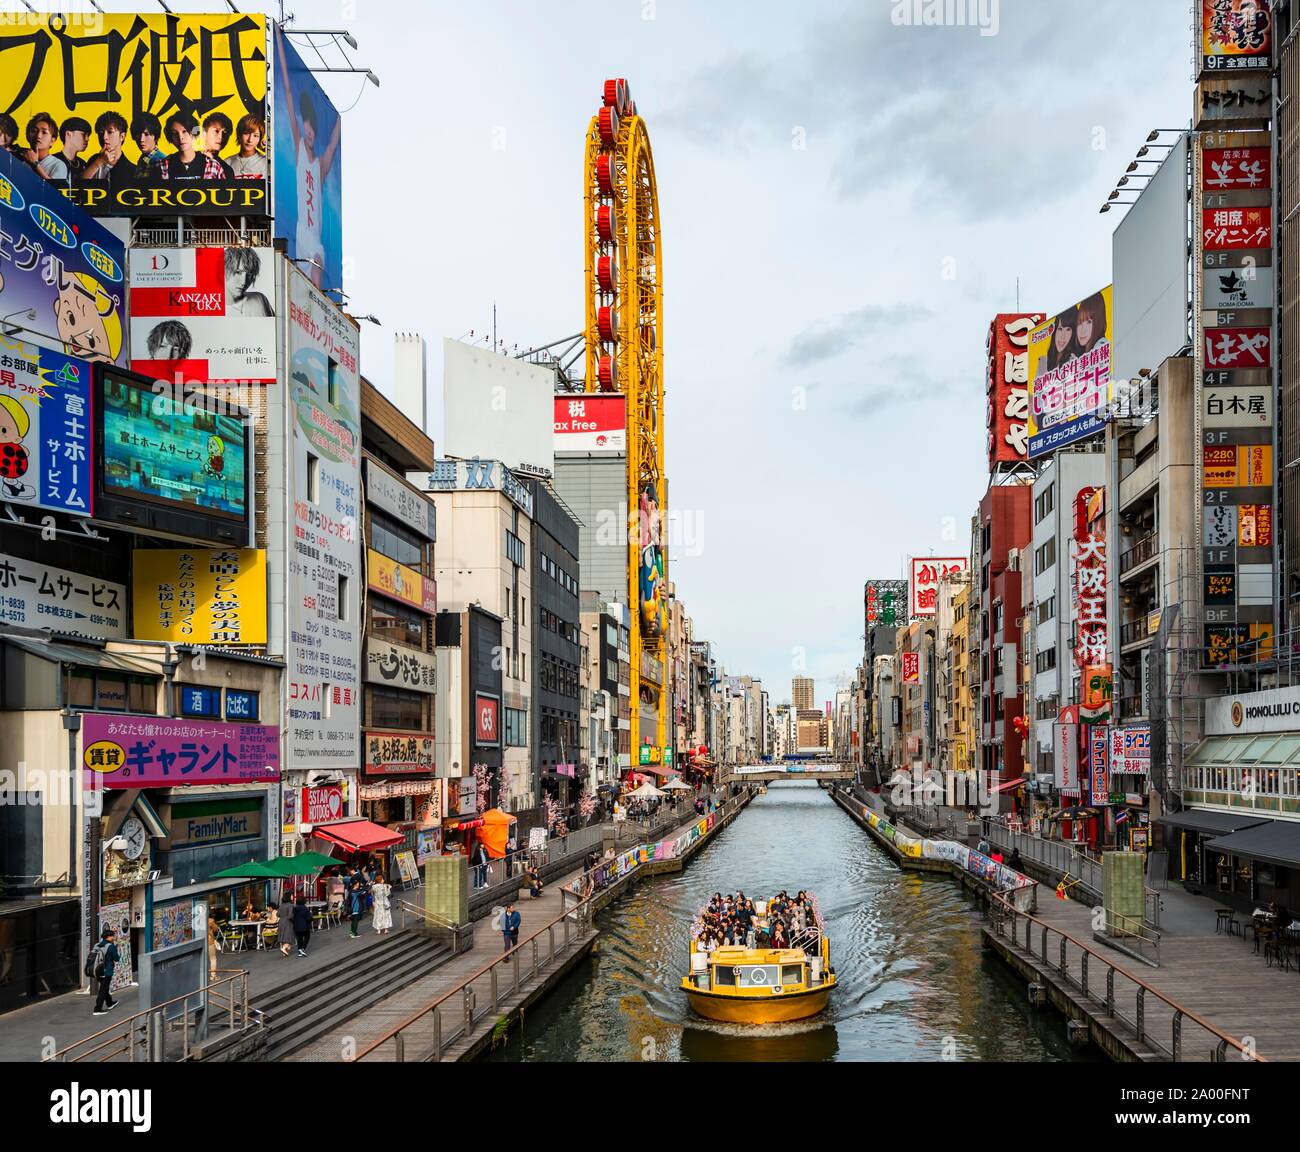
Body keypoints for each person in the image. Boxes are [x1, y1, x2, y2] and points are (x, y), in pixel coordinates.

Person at [277, 27, 341, 288]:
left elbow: (334, 142)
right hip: (300, 233)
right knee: (302, 291)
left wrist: (341, 117)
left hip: (315, 242)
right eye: (307, 126)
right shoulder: (300, 148)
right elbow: (290, 96)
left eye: (313, 127)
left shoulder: (321, 165)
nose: (310, 132)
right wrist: (278, 43)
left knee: (316, 285)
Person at [161, 114, 228, 181]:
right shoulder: (163, 166)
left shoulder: (213, 165)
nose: (180, 137)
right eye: (174, 133)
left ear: (193, 133)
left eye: (184, 131)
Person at [82, 111, 133, 190]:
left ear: (122, 136)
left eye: (110, 132)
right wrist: (99, 161)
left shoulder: (131, 170)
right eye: (101, 132)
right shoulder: (93, 160)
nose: (104, 137)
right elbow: (78, 187)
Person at [37, 115, 90, 185]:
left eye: (88, 135)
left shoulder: (83, 164)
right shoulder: (52, 161)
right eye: (83, 134)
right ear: (68, 134)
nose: (87, 139)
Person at [224, 248, 274, 317]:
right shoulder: (210, 308)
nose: (244, 281)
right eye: (238, 272)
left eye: (250, 274)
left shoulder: (260, 299)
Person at [91, 926, 120, 1015]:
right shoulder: (110, 947)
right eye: (113, 936)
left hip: (97, 971)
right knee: (103, 990)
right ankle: (97, 1009)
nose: (114, 938)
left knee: (105, 987)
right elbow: (117, 958)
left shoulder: (97, 945)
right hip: (107, 972)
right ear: (109, 937)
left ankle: (110, 1003)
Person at [229, 113, 267, 179]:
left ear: (260, 139)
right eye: (246, 133)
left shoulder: (266, 162)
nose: (250, 140)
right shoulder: (227, 163)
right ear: (239, 134)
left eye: (255, 135)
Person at [131, 112, 166, 179]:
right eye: (138, 134)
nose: (141, 139)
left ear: (155, 137)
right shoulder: (143, 158)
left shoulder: (161, 161)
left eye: (146, 134)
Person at [201, 111, 236, 178]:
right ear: (204, 133)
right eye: (216, 131)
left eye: (225, 133)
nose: (221, 136)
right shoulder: (189, 157)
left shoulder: (227, 170)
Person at [347, 867, 368, 938]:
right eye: (358, 884)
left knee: (353, 921)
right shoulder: (356, 892)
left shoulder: (351, 892)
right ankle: (354, 933)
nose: (359, 884)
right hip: (356, 908)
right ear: (356, 884)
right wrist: (367, 886)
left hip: (352, 908)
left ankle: (352, 932)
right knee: (356, 921)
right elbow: (364, 892)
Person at [277, 892, 295, 957]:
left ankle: (284, 952)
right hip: (288, 922)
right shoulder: (291, 905)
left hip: (281, 921)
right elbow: (290, 916)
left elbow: (277, 914)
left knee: (283, 936)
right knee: (288, 936)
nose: (293, 896)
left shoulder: (282, 905)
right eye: (292, 895)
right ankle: (284, 948)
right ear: (289, 897)